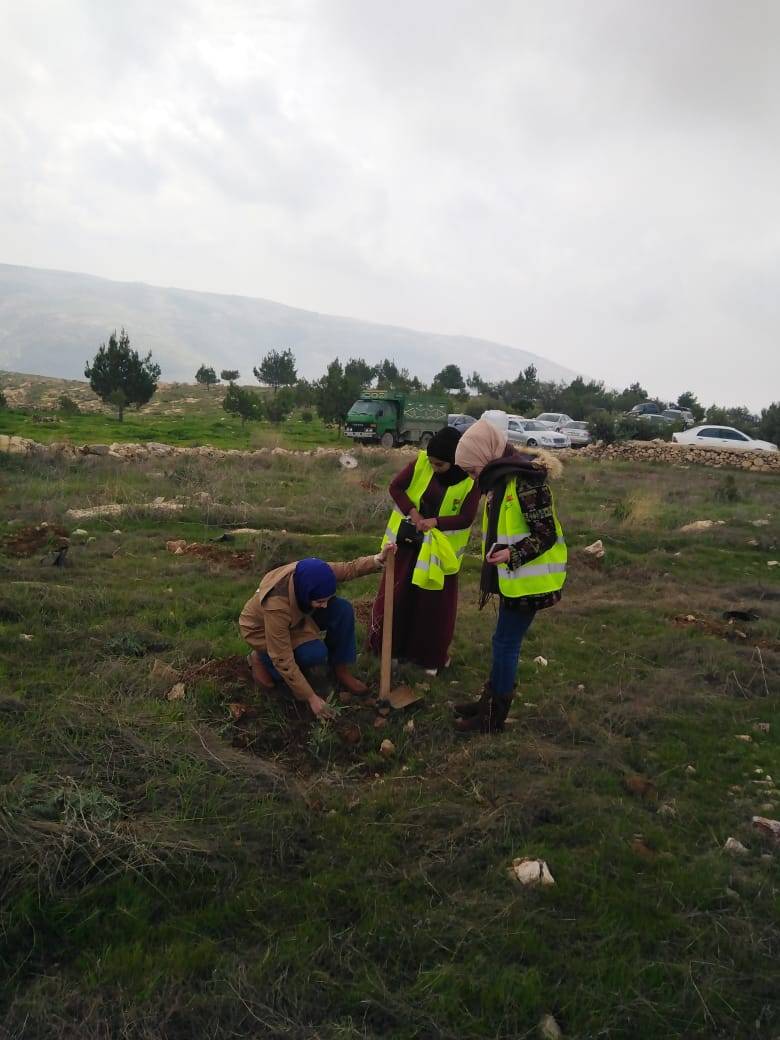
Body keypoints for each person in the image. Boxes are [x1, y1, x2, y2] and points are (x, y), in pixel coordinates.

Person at [452, 416, 567, 733]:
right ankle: (488, 703)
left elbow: (544, 534)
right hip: (515, 579)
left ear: (485, 457)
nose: (473, 477)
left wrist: (512, 554)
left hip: (532, 582)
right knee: (502, 642)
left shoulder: (526, 481)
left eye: (472, 469)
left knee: (505, 645)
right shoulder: (503, 480)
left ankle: (492, 718)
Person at [369, 426, 480, 674]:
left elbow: (466, 517)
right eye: (431, 462)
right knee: (397, 598)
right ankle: (388, 650)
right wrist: (414, 512)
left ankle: (427, 657)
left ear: (455, 462)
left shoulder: (471, 480)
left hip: (439, 557)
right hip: (406, 547)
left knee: (432, 608)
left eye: (439, 465)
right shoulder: (421, 463)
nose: (433, 467)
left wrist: (436, 523)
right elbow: (396, 488)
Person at [239, 547, 394, 720]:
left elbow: (349, 568)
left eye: (326, 599)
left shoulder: (315, 572)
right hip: (262, 630)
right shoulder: (277, 605)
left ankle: (340, 670)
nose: (325, 605)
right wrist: (311, 697)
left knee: (342, 609)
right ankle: (259, 658)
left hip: (298, 615)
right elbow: (282, 658)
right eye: (320, 601)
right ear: (306, 593)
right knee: (313, 654)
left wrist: (376, 559)